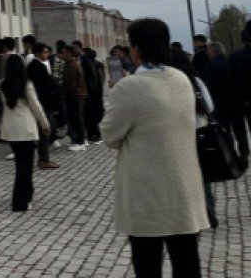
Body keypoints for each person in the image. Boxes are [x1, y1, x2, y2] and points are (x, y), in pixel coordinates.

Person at [101, 18, 208, 278]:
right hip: (184, 185)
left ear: (135, 47)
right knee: (186, 258)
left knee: (147, 259)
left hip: (147, 189)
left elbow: (109, 135)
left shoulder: (130, 86)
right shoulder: (181, 78)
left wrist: (117, 94)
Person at [0, 54, 50, 213]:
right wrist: (45, 123)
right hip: (27, 128)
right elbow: (36, 106)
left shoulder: (1, 84)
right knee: (26, 166)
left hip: (10, 130)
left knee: (20, 166)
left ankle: (25, 196)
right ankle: (22, 200)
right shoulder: (26, 83)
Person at [168, 48, 219, 229]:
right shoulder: (195, 80)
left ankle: (189, 213)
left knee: (183, 174)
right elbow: (210, 106)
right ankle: (209, 210)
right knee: (203, 173)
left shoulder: (169, 82)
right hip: (200, 130)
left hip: (178, 135)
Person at [26, 43, 60, 169]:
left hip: (40, 102)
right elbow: (46, 88)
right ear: (38, 53)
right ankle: (44, 159)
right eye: (45, 52)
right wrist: (54, 105)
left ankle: (43, 158)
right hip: (42, 103)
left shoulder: (34, 65)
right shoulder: (38, 67)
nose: (48, 54)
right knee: (44, 131)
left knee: (43, 132)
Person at [228, 21, 251, 170]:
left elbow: (232, 80)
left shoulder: (237, 57)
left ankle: (244, 154)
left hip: (242, 101)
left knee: (241, 129)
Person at [59, 45, 87, 150]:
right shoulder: (69, 64)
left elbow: (71, 84)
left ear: (69, 53)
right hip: (74, 95)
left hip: (75, 96)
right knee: (73, 118)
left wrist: (65, 94)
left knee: (76, 119)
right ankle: (76, 140)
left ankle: (81, 142)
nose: (62, 54)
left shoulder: (73, 66)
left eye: (64, 52)